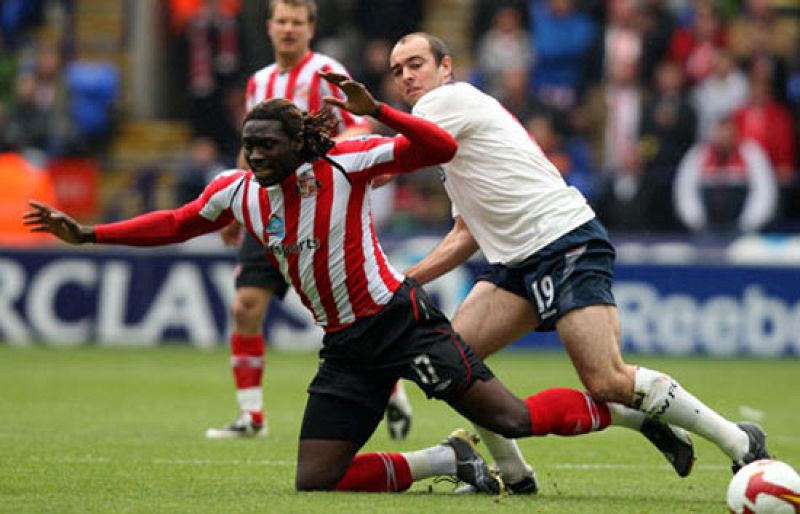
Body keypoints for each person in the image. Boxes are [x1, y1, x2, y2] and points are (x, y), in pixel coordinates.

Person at [25, 72, 660, 494]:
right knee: (316, 479)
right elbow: (175, 222)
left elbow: (438, 147)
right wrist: (91, 234)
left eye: (267, 144)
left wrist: (379, 111)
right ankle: (448, 460)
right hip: (346, 347)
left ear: (297, 143)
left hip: (402, 321)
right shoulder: (239, 192)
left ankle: (621, 410)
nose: (255, 156)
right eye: (248, 145)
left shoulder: (347, 163)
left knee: (516, 420)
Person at [387, 32, 770, 491]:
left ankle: (740, 441)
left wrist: (351, 149)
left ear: (445, 67)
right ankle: (513, 474)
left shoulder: (446, 102)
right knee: (456, 364)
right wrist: (406, 280)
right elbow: (465, 234)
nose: (407, 76)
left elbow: (391, 161)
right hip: (517, 261)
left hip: (563, 240)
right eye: (397, 71)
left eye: (416, 64)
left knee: (607, 378)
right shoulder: (446, 135)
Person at [206, 0, 413, 440]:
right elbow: (252, 143)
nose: (287, 29)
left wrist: (330, 160)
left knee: (350, 315)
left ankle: (391, 389)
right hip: (266, 209)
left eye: (296, 22)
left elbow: (360, 128)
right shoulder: (259, 80)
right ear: (269, 26)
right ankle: (252, 418)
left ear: (310, 28)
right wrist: (232, 206)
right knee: (244, 306)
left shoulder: (326, 73)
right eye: (281, 21)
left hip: (320, 208)